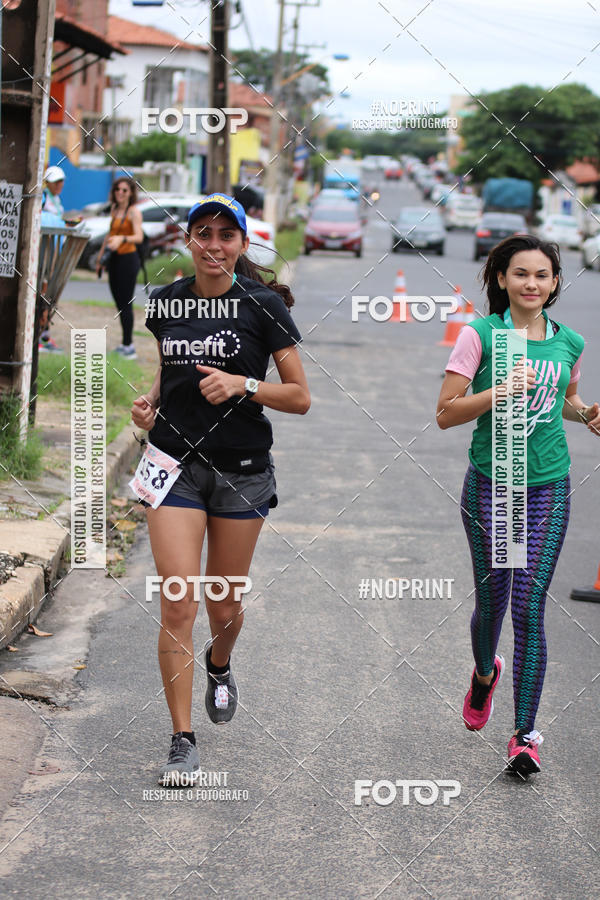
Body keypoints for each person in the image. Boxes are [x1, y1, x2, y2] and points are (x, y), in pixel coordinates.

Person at [130, 193, 310, 785]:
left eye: (225, 235)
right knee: (178, 600)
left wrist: (241, 384)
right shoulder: (167, 301)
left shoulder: (264, 306)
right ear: (188, 239)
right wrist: (151, 401)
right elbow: (169, 365)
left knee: (223, 604)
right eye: (202, 233)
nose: (213, 245)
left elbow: (299, 398)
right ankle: (182, 741)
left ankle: (220, 661)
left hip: (242, 469)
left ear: (242, 243)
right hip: (173, 463)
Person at [437, 234, 599, 778]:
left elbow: (565, 400)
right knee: (494, 603)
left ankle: (524, 736)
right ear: (502, 279)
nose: (532, 283)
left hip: (548, 485)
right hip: (491, 484)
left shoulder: (570, 341)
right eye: (521, 274)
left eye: (543, 275)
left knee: (530, 607)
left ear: (555, 283)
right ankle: (485, 672)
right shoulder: (479, 336)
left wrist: (587, 415)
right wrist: (499, 390)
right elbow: (446, 413)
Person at [96, 177, 144, 359]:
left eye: (124, 190)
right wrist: (100, 258)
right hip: (114, 259)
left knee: (126, 303)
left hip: (128, 259)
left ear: (131, 192)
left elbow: (138, 237)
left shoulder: (134, 212)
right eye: (117, 189)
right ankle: (125, 344)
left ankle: (129, 345)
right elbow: (110, 234)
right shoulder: (115, 210)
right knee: (118, 303)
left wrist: (123, 239)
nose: (120, 193)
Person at [39, 166, 67, 353]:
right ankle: (40, 335)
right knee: (42, 289)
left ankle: (45, 334)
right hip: (44, 250)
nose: (59, 185)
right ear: (47, 182)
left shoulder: (56, 200)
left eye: (61, 181)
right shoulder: (42, 198)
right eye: (55, 181)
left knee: (51, 293)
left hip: (56, 249)